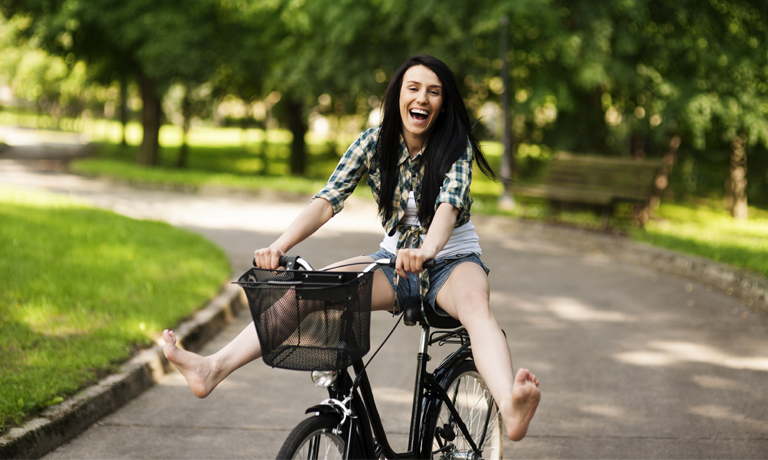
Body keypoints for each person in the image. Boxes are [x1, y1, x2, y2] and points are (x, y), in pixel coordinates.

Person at [162, 54, 540, 442]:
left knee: (478, 309)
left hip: (451, 262)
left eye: (433, 92)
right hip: (394, 262)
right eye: (413, 89)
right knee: (308, 290)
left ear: (443, 105)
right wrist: (276, 247)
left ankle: (510, 407)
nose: (422, 99)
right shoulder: (372, 144)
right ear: (398, 96)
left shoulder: (454, 147)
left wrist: (426, 251)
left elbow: (448, 206)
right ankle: (212, 368)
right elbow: (327, 200)